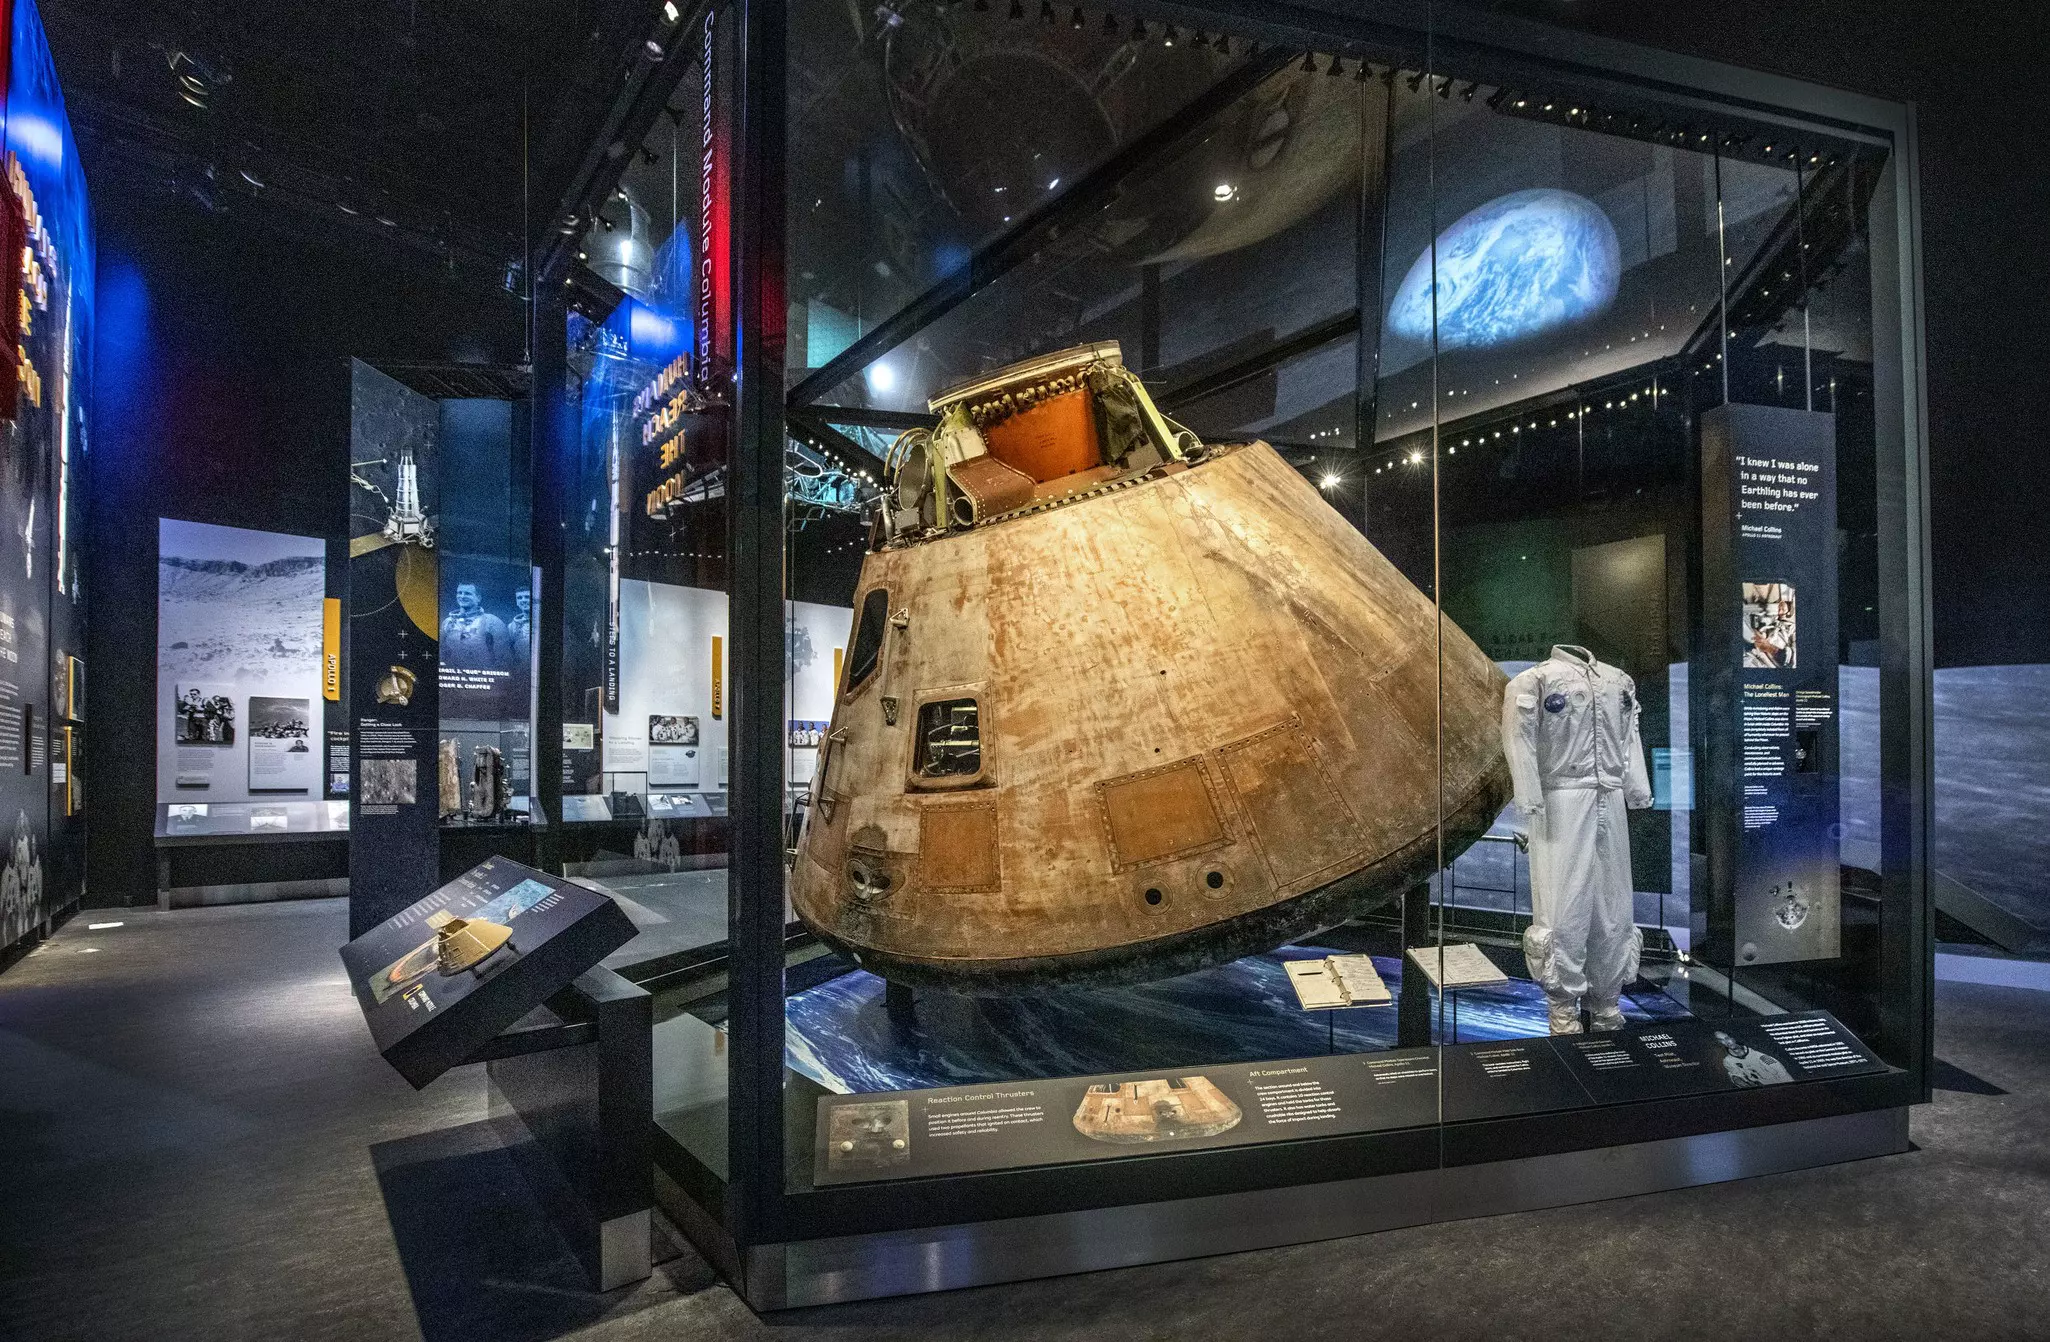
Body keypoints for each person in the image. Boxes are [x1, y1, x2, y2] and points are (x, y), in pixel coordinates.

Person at [1502, 645, 1654, 1035]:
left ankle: (1607, 1002)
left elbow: (1628, 738)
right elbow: (1519, 738)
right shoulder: (1535, 680)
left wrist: (1636, 788)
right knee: (1563, 907)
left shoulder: (1617, 680)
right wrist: (1530, 794)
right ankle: (1563, 1008)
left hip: (1610, 799)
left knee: (1613, 907)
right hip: (1560, 799)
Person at [441, 582, 510, 670]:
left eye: (467, 593)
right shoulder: (447, 622)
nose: (462, 596)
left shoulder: (493, 621)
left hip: (483, 676)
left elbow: (504, 656)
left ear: (478, 598)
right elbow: (441, 652)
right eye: (459, 593)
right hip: (453, 677)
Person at [1716, 1030, 1792, 1087]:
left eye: (1726, 1038)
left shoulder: (1757, 1052)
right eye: (1721, 1040)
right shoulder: (1728, 1061)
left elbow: (1780, 1070)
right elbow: (1736, 1076)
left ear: (1733, 1038)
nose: (1726, 1042)